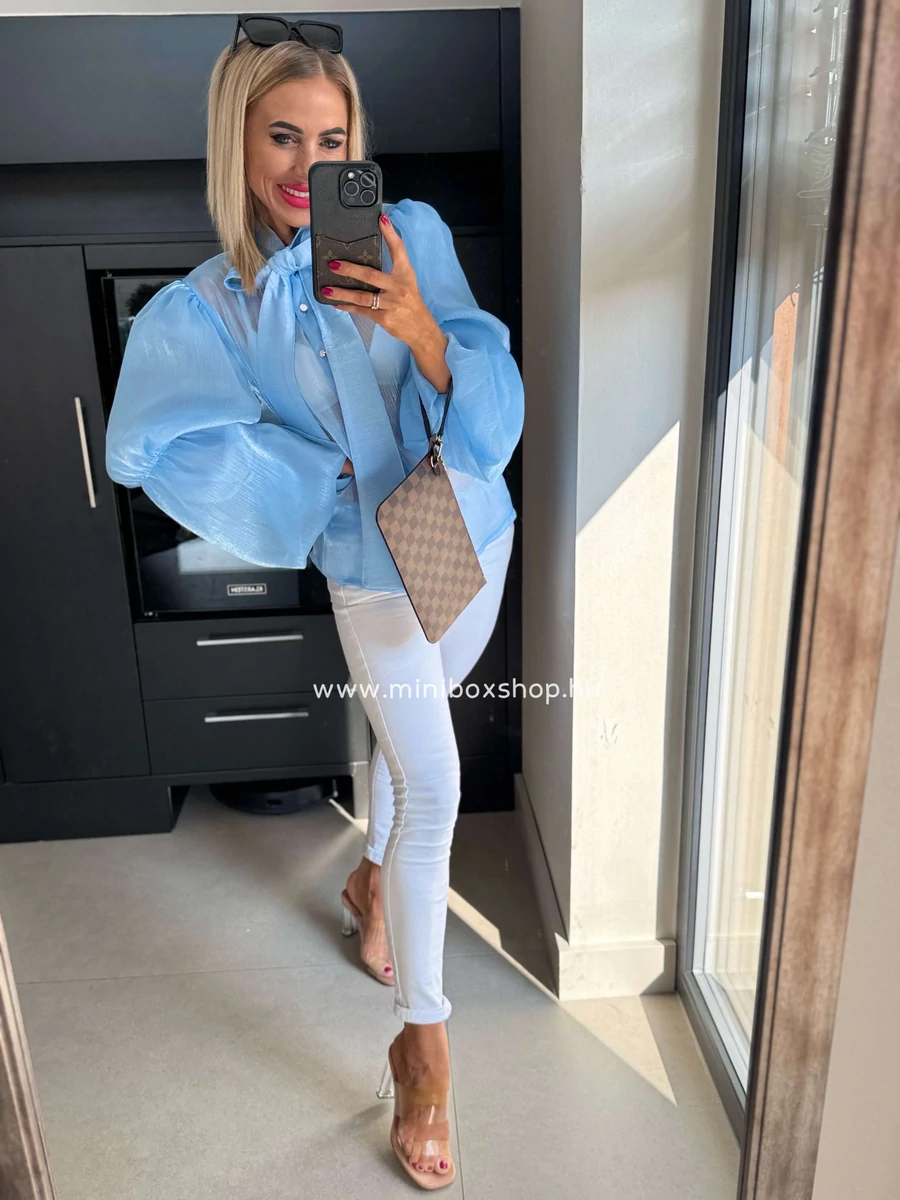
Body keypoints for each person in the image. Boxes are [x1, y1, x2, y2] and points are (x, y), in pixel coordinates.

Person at [105, 20, 523, 1190]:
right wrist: (303, 478)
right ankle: (423, 1049)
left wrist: (419, 329)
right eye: (282, 135)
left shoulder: (411, 236)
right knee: (435, 778)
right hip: (367, 563)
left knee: (407, 737)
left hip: (465, 526)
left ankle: (371, 875)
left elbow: (494, 412)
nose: (305, 164)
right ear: (236, 142)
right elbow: (145, 446)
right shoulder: (214, 310)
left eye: (331, 140)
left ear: (355, 146)